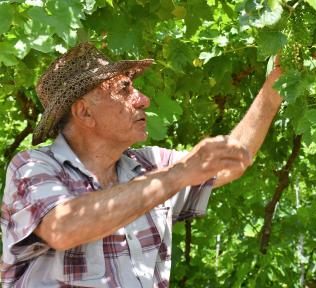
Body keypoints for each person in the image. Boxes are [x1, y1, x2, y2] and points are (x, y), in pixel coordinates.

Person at [0, 43, 282, 287]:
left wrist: (274, 88)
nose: (143, 100)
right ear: (84, 112)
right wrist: (177, 176)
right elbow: (63, 228)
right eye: (125, 90)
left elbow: (229, 162)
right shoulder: (32, 166)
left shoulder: (149, 163)